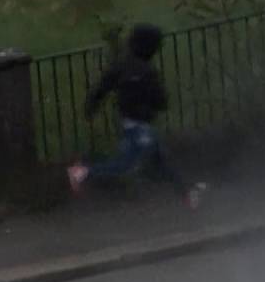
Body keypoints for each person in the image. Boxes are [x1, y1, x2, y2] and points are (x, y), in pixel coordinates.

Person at [68, 23, 206, 209]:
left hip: (129, 122)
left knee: (160, 161)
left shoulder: (121, 65)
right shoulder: (147, 71)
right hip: (140, 125)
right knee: (126, 164)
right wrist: (157, 104)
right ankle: (82, 172)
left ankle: (187, 193)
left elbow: (102, 87)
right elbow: (160, 99)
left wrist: (91, 106)